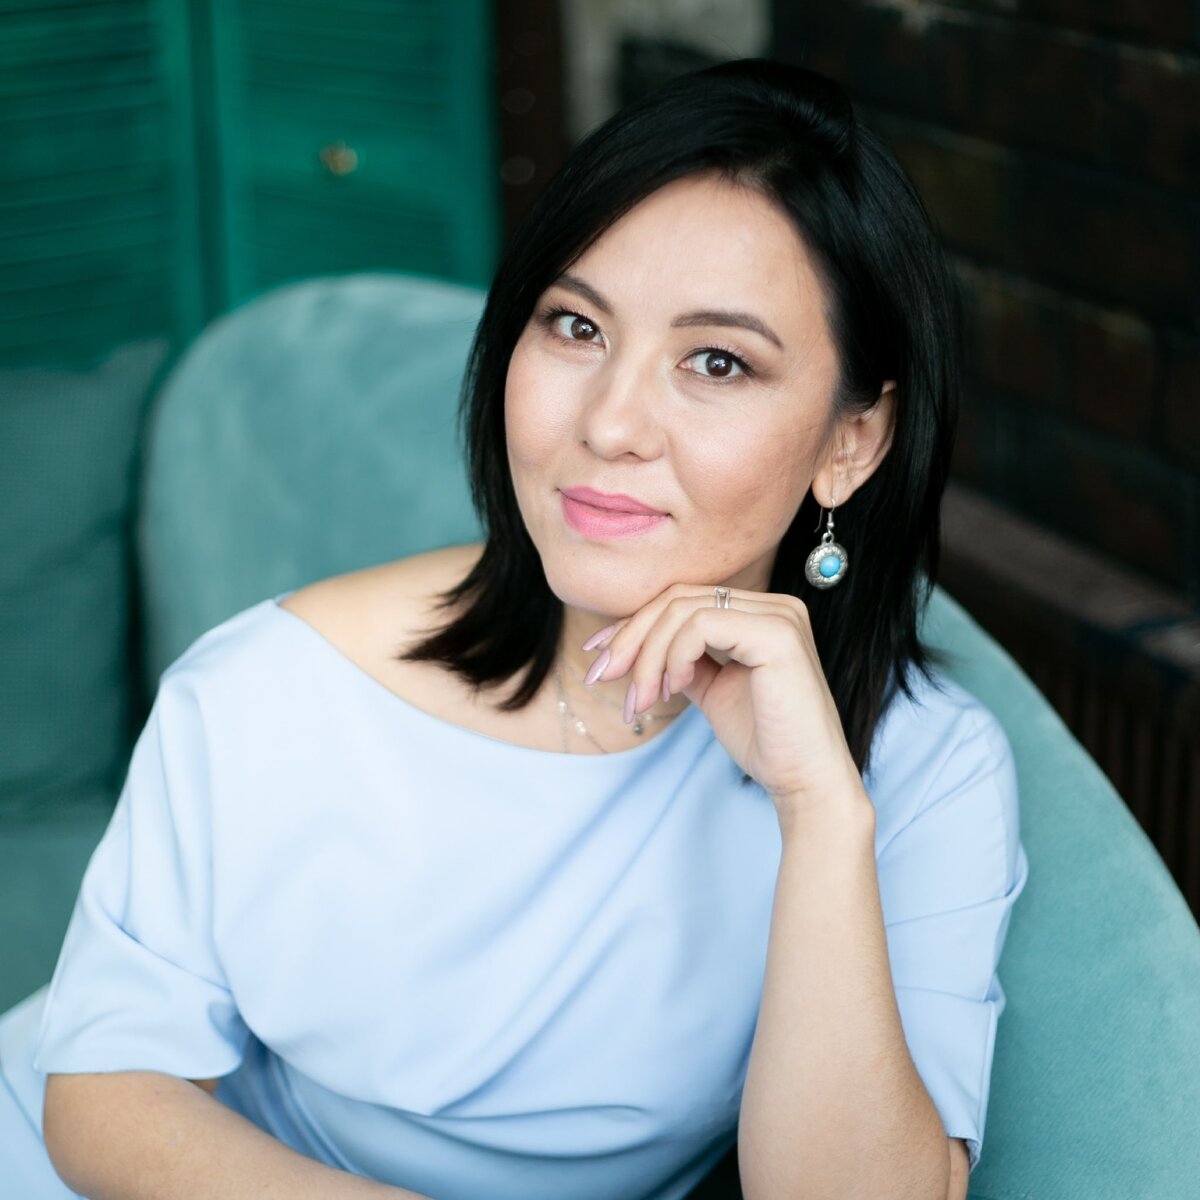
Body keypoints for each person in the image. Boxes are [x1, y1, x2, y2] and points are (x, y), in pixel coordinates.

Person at [0, 57, 1027, 1200]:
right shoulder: (274, 688)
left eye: (717, 361)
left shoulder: (918, 768)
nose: (612, 422)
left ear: (853, 441)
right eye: (576, 327)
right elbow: (100, 1097)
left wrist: (818, 812)